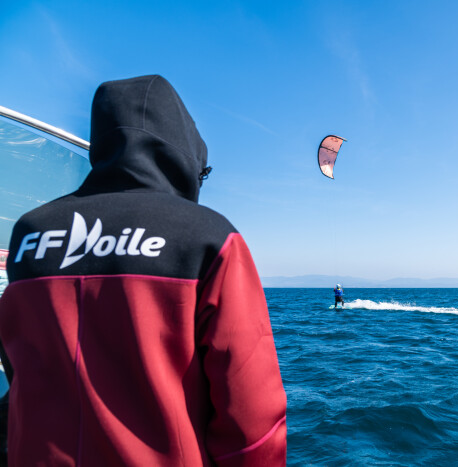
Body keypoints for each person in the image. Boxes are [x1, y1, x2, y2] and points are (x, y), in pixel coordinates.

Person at [0, 75, 287, 465]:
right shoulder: (208, 237)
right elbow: (253, 423)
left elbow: (18, 370)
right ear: (185, 151)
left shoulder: (28, 232)